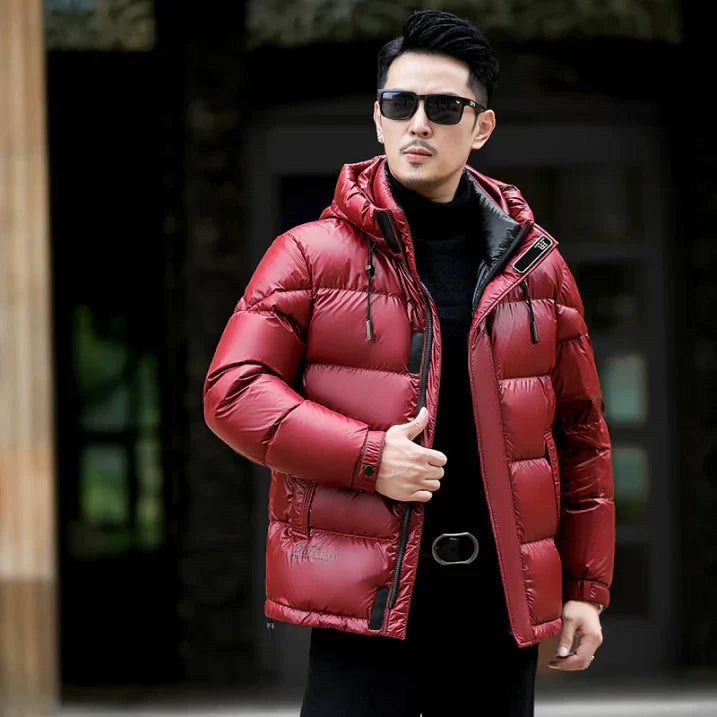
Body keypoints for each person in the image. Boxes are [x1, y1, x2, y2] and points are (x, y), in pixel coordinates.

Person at [203, 9, 615, 716]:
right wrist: (368, 457)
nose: (418, 123)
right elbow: (233, 392)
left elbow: (580, 435)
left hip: (495, 610)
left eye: (444, 107)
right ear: (377, 118)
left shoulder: (536, 267)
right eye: (400, 104)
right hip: (364, 609)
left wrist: (583, 587)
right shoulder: (309, 255)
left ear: (481, 127)